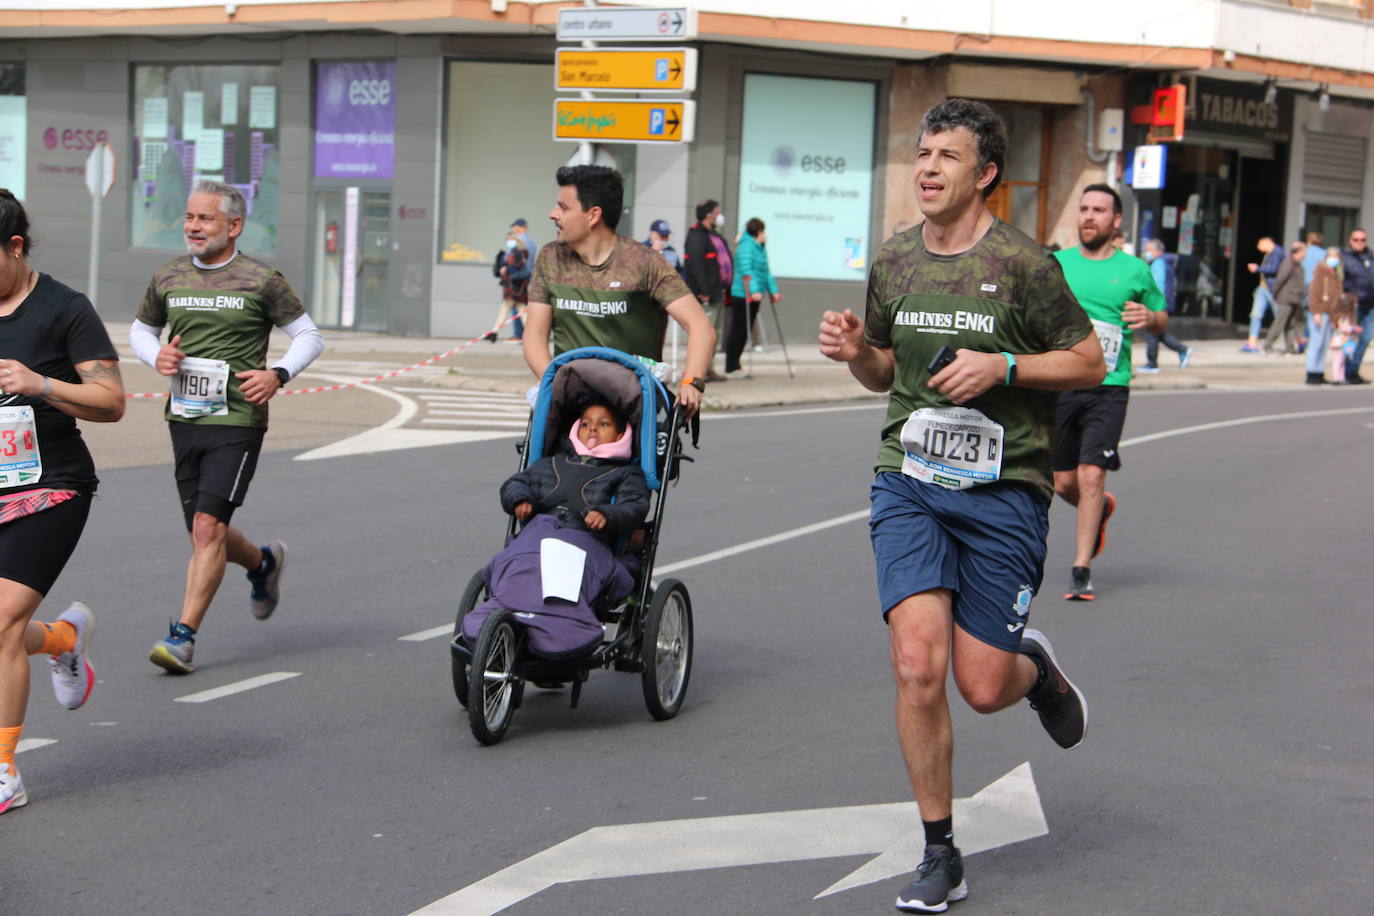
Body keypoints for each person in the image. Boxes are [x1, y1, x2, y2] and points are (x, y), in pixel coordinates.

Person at [818, 98, 1103, 914]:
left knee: (982, 685)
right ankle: (940, 850)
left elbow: (1086, 360)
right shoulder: (896, 260)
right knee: (917, 666)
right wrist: (854, 353)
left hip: (1006, 488)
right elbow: (882, 373)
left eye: (948, 156)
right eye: (923, 153)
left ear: (985, 175)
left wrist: (1002, 369)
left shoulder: (1024, 266)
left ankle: (1035, 669)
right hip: (908, 480)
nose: (929, 168)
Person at [129, 180, 325, 674]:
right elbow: (140, 330)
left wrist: (278, 374)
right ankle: (262, 563)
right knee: (204, 535)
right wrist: (159, 356)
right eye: (190, 218)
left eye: (205, 219)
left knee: (207, 526)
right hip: (185, 416)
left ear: (234, 226)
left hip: (238, 418)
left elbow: (308, 335)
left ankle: (183, 638)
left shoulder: (261, 279)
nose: (193, 227)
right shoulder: (169, 276)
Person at [0, 189, 126, 814]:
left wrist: (39, 383)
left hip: (50, 487)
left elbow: (112, 401)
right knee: (5, 629)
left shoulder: (63, 309)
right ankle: (61, 641)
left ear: (14, 248)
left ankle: (5, 771)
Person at [460, 399, 649, 658]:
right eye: (586, 424)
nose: (592, 429)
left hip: (587, 538)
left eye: (603, 424)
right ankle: (504, 615)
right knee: (518, 562)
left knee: (568, 575)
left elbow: (635, 507)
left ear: (620, 434)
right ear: (575, 429)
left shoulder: (626, 474)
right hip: (540, 530)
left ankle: (559, 624)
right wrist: (521, 499)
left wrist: (607, 514)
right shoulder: (549, 464)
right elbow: (516, 483)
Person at [1052, 184, 1168, 601]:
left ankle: (1080, 569)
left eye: (1098, 210)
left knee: (1090, 475)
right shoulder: (1057, 264)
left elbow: (1161, 318)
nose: (1088, 216)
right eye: (1083, 208)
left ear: (1116, 220)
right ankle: (1100, 509)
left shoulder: (1135, 270)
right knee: (1062, 481)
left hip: (1109, 386)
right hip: (1062, 382)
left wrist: (1150, 317)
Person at [523, 165, 715, 416]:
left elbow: (701, 328)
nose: (552, 214)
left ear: (593, 215)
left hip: (632, 402)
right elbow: (535, 333)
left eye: (564, 207)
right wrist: (555, 385)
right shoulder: (550, 258)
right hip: (568, 397)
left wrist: (692, 383)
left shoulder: (644, 262)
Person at [725, 217, 781, 377]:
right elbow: (746, 271)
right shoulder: (746, 247)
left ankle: (736, 364)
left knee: (745, 330)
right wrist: (754, 291)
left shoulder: (760, 247)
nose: (765, 235)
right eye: (764, 231)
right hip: (743, 294)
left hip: (754, 294)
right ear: (758, 231)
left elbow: (765, 272)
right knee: (738, 330)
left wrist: (773, 291)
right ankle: (731, 365)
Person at [683, 199, 733, 378]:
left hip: (717, 292)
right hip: (706, 294)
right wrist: (702, 291)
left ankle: (708, 368)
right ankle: (698, 371)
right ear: (708, 215)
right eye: (717, 212)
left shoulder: (714, 236)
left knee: (714, 333)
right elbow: (695, 265)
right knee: (703, 333)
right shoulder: (697, 236)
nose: (719, 216)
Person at [1138, 238, 1191, 373]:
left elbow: (1158, 286)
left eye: (1148, 249)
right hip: (1164, 303)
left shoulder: (1159, 263)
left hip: (1158, 304)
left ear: (1156, 250)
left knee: (1153, 332)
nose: (1146, 252)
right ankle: (1182, 350)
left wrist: (1154, 304)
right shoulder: (1164, 262)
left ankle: (1152, 364)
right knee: (1159, 333)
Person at [1307, 246, 1345, 384]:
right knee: (1316, 343)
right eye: (1331, 256)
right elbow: (1314, 292)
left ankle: (1319, 372)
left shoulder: (1337, 272)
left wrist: (1336, 316)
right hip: (1320, 311)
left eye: (1336, 256)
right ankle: (1311, 372)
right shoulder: (1320, 271)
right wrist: (1316, 311)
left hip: (1330, 313)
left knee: (1324, 344)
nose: (1334, 259)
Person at [1341, 228, 1373, 384]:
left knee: (1366, 338)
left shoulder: (1370, 257)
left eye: (1363, 240)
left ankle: (1354, 370)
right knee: (1350, 339)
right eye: (1356, 239)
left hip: (1371, 304)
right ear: (1350, 240)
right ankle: (1345, 371)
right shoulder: (1345, 258)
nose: (1359, 243)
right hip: (1353, 305)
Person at [1262, 241, 1306, 355]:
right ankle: (1267, 345)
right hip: (1286, 298)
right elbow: (1280, 279)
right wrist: (1275, 294)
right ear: (1299, 251)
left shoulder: (1297, 264)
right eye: (1304, 250)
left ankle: (1290, 347)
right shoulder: (1288, 263)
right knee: (1280, 322)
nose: (1305, 253)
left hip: (1294, 298)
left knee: (1290, 324)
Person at [486, 230, 529, 343]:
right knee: (522, 311)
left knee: (505, 311)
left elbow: (517, 267)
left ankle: (494, 333)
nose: (509, 242)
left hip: (514, 287)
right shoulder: (512, 253)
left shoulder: (517, 253)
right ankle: (530, 335)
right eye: (508, 240)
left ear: (516, 241)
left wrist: (507, 269)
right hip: (514, 287)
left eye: (511, 240)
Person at [1242, 236, 1282, 353]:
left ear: (1268, 242)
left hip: (1272, 289)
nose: (1258, 247)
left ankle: (1298, 340)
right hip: (1263, 287)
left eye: (1260, 244)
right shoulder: (1269, 254)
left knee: (1281, 316)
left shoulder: (1277, 253)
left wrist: (1258, 268)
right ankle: (1252, 343)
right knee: (1255, 315)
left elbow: (1274, 269)